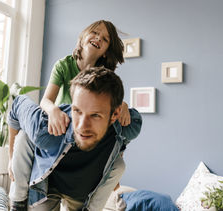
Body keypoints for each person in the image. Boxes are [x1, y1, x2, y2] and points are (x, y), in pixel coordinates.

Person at [8, 20, 130, 209]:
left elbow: (114, 129)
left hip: (83, 147)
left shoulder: (104, 78)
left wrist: (123, 106)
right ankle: (19, 199)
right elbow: (45, 101)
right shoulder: (64, 65)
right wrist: (53, 110)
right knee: (25, 135)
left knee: (119, 164)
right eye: (95, 33)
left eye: (105, 39)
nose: (98, 38)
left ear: (106, 51)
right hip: (60, 133)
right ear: (82, 38)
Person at [8, 67, 142, 210]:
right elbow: (17, 104)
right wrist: (10, 158)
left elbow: (123, 141)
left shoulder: (129, 125)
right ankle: (18, 202)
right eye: (77, 111)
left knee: (119, 165)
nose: (83, 126)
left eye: (95, 115)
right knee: (24, 135)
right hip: (48, 184)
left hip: (81, 189)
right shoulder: (46, 130)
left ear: (114, 115)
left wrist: (113, 163)